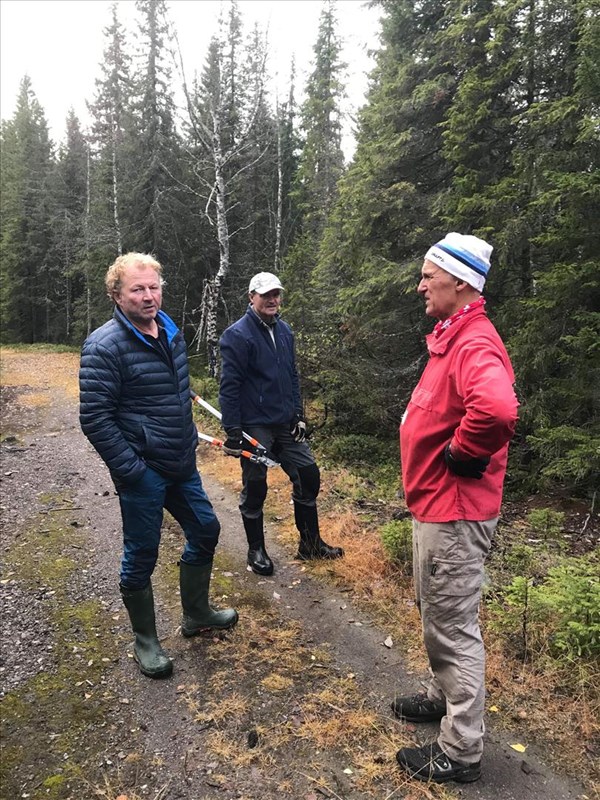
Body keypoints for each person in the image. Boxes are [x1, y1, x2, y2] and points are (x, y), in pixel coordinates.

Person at [394, 233, 519, 783]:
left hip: (455, 510)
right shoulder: (455, 336)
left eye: (429, 275)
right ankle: (439, 696)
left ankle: (461, 750)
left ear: (462, 282)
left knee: (452, 625)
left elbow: (495, 409)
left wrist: (465, 453)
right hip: (438, 507)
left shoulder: (473, 342)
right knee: (436, 611)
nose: (420, 285)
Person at [79, 252, 238, 680]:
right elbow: (94, 418)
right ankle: (145, 640)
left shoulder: (169, 330)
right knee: (141, 554)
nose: (149, 296)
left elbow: (176, 395)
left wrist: (187, 441)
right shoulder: (104, 345)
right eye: (138, 289)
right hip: (142, 471)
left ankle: (197, 613)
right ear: (117, 294)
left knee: (206, 529)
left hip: (181, 461)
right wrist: (133, 470)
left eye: (154, 287)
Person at [218, 271, 344, 576]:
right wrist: (233, 430)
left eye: (276, 294)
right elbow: (229, 385)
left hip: (286, 422)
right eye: (265, 295)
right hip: (255, 423)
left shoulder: (285, 331)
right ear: (252, 298)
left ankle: (310, 544)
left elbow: (292, 377)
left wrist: (298, 414)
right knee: (256, 485)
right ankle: (256, 551)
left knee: (308, 475)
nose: (272, 300)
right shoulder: (237, 335)